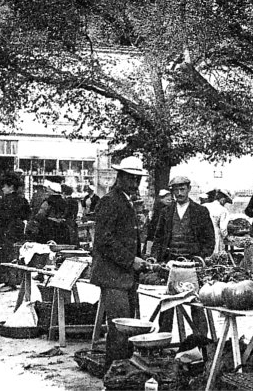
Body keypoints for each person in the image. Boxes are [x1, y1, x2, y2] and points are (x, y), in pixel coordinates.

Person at [88, 156, 148, 369]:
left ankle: (122, 372)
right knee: (120, 327)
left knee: (127, 325)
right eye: (131, 179)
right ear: (120, 177)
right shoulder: (110, 201)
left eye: (138, 179)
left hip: (124, 275)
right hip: (113, 275)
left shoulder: (126, 201)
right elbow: (104, 241)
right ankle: (115, 374)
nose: (135, 184)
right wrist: (131, 260)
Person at [152, 176, 215, 336]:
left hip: (192, 265)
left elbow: (209, 240)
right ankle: (163, 340)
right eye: (176, 190)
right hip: (171, 264)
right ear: (172, 191)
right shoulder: (166, 212)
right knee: (167, 304)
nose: (179, 193)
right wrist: (155, 258)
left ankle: (201, 341)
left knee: (196, 304)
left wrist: (200, 258)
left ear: (189, 189)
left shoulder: (200, 211)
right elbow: (158, 238)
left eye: (182, 189)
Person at [0, 174, 30, 287]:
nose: (3, 189)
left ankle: (9, 281)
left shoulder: (7, 200)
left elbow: (6, 215)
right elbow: (27, 215)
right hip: (17, 229)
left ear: (11, 187)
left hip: (6, 230)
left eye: (4, 186)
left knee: (5, 255)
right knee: (14, 255)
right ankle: (15, 279)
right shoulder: (22, 199)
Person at [202, 189, 232, 253]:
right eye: (225, 201)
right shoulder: (223, 210)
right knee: (216, 254)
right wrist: (226, 237)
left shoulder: (204, 206)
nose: (225, 203)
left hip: (203, 234)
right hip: (215, 234)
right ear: (223, 199)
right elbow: (223, 228)